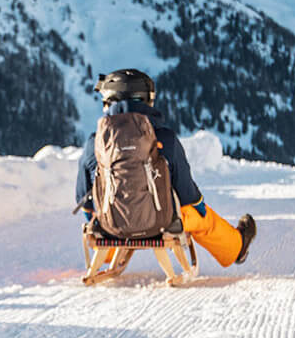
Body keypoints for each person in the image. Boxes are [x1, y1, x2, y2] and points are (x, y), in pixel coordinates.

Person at [75, 68, 256, 266]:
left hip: (111, 227)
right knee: (201, 217)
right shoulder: (165, 138)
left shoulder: (95, 143)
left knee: (98, 215)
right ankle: (236, 248)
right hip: (162, 223)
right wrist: (200, 207)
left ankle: (107, 255)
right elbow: (187, 192)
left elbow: (84, 199)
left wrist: (100, 218)